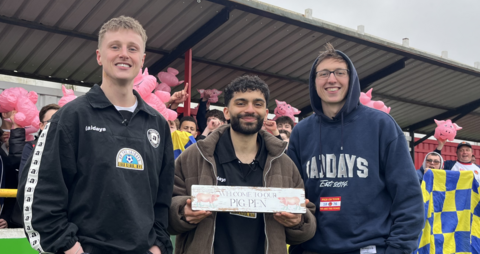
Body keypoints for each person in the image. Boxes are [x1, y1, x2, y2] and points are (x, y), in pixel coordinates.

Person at [17, 16, 174, 254]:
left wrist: (158, 246)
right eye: (115, 46)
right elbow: (39, 195)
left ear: (141, 60)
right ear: (99, 55)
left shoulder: (158, 124)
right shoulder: (71, 117)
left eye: (132, 48)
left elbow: (163, 199)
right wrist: (69, 248)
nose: (124, 54)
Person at [287, 43, 423, 254]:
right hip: (314, 249)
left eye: (340, 72)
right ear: (314, 82)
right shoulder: (301, 132)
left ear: (352, 79)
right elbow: (292, 196)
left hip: (368, 247)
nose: (331, 79)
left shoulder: (382, 126)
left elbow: (408, 197)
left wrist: (398, 249)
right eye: (323, 73)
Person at [168, 75, 316, 254]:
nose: (250, 110)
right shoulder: (194, 156)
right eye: (241, 103)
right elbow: (165, 210)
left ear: (265, 112)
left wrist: (298, 221)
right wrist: (183, 211)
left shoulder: (284, 164)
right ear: (226, 112)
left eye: (258, 104)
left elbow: (306, 224)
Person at [18, 104, 60, 180]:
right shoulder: (31, 147)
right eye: (51, 121)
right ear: (41, 125)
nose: (56, 125)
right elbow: (24, 178)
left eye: (60, 121)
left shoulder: (71, 147)